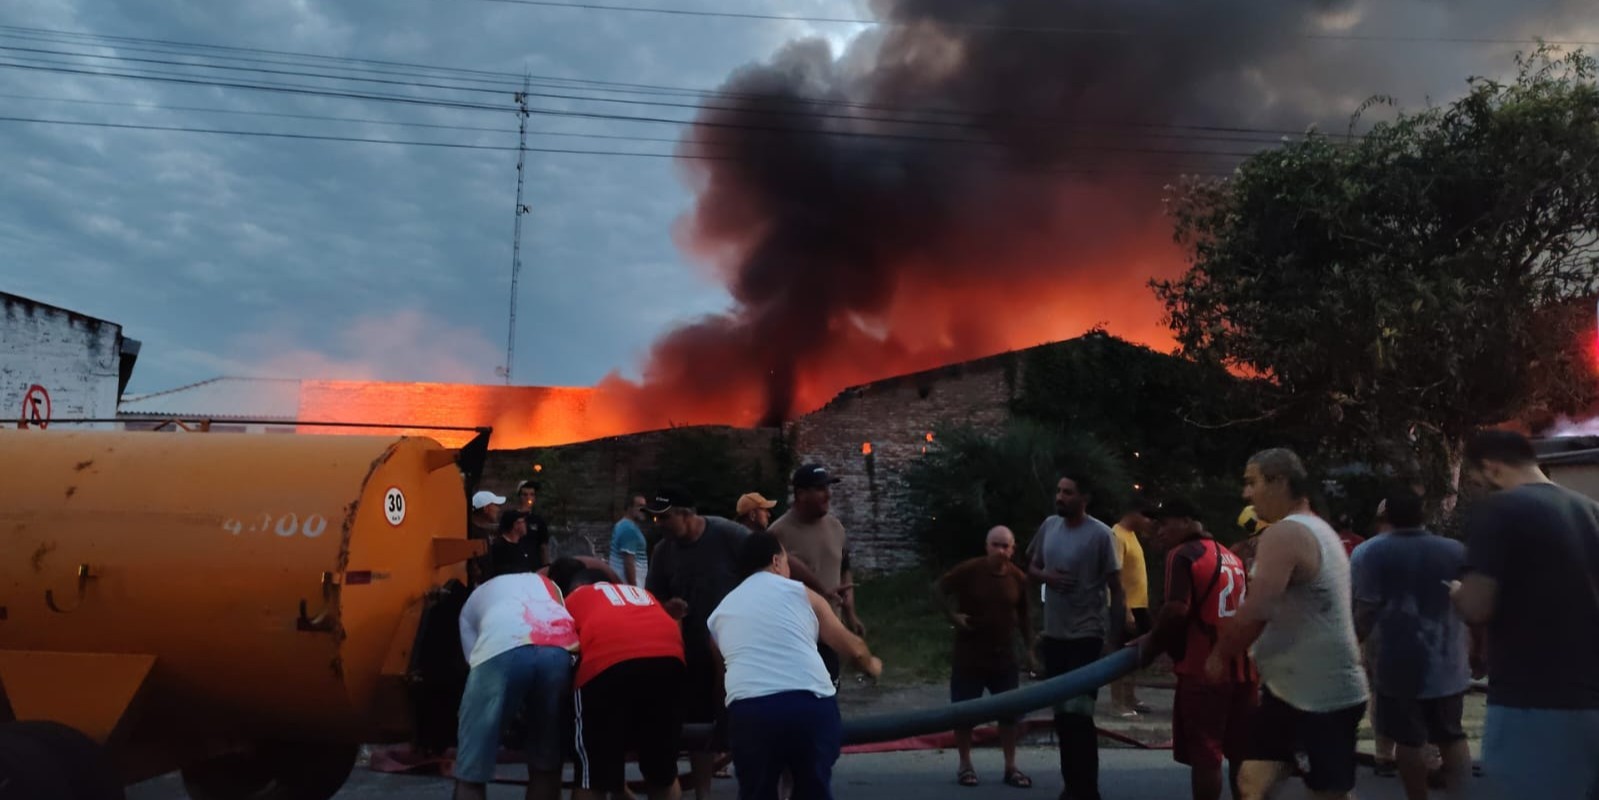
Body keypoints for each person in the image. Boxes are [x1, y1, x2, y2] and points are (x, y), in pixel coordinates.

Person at [1208, 448, 1367, 800]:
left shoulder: (1286, 534)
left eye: (1252, 482)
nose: (1245, 494)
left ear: (1279, 481)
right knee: (1252, 780)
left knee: (1328, 793)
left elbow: (1258, 607)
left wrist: (1220, 654)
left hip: (1323, 696)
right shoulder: (1314, 528)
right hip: (1289, 692)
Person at [1451, 429, 1599, 799]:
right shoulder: (1590, 509)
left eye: (1475, 481)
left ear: (1491, 468)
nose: (1478, 490)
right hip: (1589, 699)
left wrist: (1458, 593)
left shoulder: (1502, 509)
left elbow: (1478, 605)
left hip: (1531, 701)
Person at [707, 530, 882, 800]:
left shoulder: (719, 614)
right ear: (777, 561)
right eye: (787, 562)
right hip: (808, 706)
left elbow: (722, 680)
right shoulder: (801, 593)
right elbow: (853, 649)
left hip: (751, 712)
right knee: (812, 789)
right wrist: (873, 665)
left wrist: (725, 729)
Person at [1350, 487, 1475, 800]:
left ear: (1385, 517)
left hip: (1397, 661)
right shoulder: (1455, 550)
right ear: (1424, 516)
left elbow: (1366, 607)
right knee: (1452, 735)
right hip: (1449, 658)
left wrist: (1354, 642)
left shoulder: (1370, 552)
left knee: (1408, 740)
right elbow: (1471, 602)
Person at [1139, 498, 1256, 800]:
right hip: (1243, 669)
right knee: (1241, 754)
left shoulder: (1183, 555)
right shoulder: (1232, 556)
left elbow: (1176, 609)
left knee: (1207, 755)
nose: (1159, 531)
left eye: (1165, 524)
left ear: (1188, 521)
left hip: (1204, 670)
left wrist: (1149, 647)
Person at [644, 489, 752, 800]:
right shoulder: (664, 551)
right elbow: (652, 600)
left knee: (744, 716)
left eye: (664, 517)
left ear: (686, 514)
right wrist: (667, 608)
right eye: (654, 517)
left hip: (736, 645)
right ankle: (703, 793)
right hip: (691, 649)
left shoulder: (728, 534)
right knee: (699, 722)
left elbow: (766, 561)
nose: (658, 523)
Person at [548, 559, 686, 800]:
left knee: (592, 776)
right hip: (669, 660)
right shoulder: (640, 593)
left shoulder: (571, 600)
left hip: (607, 661)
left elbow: (561, 656)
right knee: (662, 771)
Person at [1027, 473, 1124, 800]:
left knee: (1080, 716)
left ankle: (1087, 789)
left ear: (1085, 498)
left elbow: (1116, 588)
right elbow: (1032, 567)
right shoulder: (1049, 526)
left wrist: (1114, 637)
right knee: (1062, 718)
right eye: (1059, 491)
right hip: (1055, 636)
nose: (1060, 497)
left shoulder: (1101, 534)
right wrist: (1047, 577)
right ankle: (1071, 786)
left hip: (1086, 636)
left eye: (1068, 492)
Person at [453, 560, 578, 800]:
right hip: (558, 650)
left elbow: (476, 665)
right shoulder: (550, 586)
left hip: (500, 647)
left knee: (471, 770)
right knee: (546, 764)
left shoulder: (474, 601)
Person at [933, 525, 1038, 789]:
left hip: (1004, 656)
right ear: (986, 546)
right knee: (964, 712)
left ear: (1013, 550)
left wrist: (1029, 650)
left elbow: (1025, 616)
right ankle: (965, 764)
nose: (1000, 551)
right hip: (970, 654)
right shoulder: (970, 570)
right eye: (995, 545)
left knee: (1009, 714)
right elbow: (938, 589)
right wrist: (953, 616)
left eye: (1006, 546)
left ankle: (1010, 766)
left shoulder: (1018, 578)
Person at [768, 464, 867, 687]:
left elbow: (845, 570)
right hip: (795, 634)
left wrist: (851, 614)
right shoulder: (778, 532)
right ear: (801, 494)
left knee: (830, 689)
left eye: (828, 487)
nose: (828, 494)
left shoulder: (836, 527)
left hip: (830, 630)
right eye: (820, 488)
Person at [1109, 499, 1155, 718]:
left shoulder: (1133, 535)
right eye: (1146, 517)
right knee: (1119, 654)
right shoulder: (1116, 535)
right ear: (1134, 513)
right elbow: (1115, 575)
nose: (1149, 523)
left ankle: (1130, 696)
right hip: (1125, 606)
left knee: (1136, 655)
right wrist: (1125, 610)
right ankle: (1118, 702)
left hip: (1140, 604)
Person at [610, 494, 650, 587]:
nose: (644, 510)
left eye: (645, 507)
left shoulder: (623, 525)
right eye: (640, 506)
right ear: (629, 508)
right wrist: (634, 588)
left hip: (623, 586)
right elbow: (628, 562)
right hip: (629, 587)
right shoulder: (628, 529)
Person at [515, 480, 553, 570]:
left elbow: (543, 546)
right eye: (525, 495)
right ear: (519, 497)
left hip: (534, 567)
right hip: (515, 565)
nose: (528, 498)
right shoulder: (511, 517)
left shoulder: (539, 520)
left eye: (532, 494)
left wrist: (546, 567)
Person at [487, 510, 536, 578]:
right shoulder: (500, 547)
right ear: (515, 525)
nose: (525, 525)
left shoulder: (522, 545)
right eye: (523, 522)